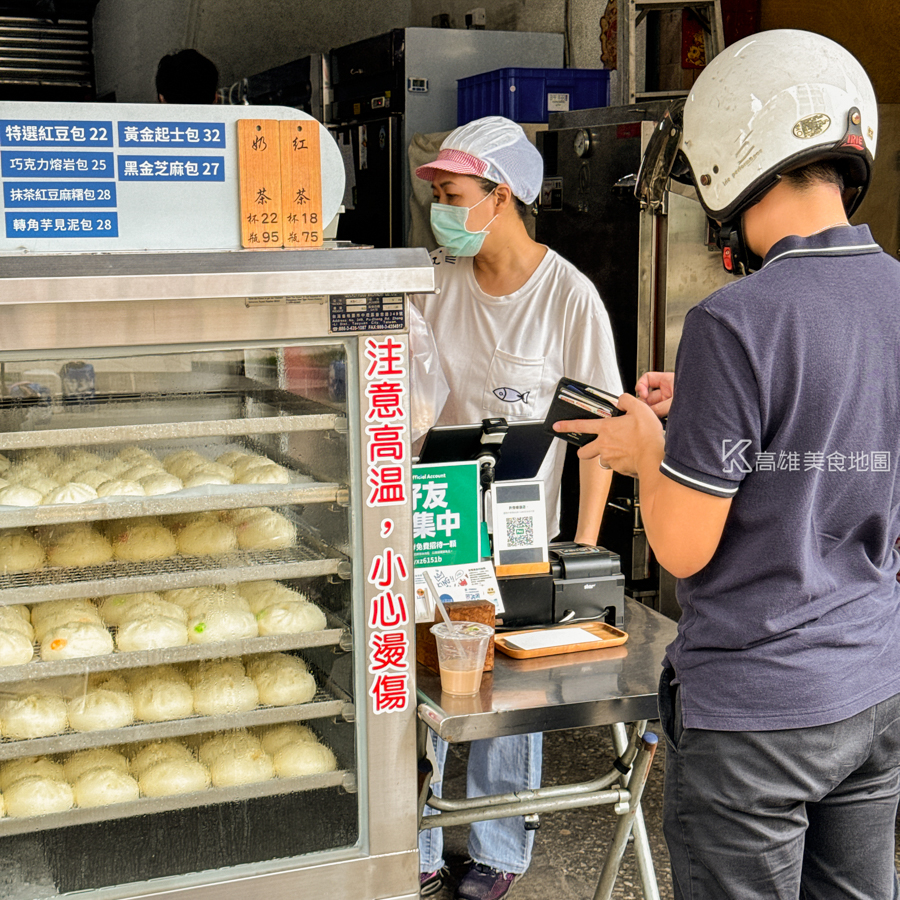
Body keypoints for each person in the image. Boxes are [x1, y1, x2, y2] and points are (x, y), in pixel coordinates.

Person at [555, 30, 900, 899]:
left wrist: (649, 453)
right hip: (874, 685)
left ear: (733, 161)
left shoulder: (734, 322)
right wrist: (707, 417)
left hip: (757, 714)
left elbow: (682, 547)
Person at [411, 116, 622, 899]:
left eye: (453, 193)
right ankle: (421, 847)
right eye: (435, 191)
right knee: (432, 689)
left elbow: (599, 435)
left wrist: (584, 556)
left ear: (501, 197)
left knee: (509, 694)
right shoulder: (435, 282)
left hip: (528, 534)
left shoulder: (569, 298)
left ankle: (498, 852)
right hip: (440, 525)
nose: (438, 204)